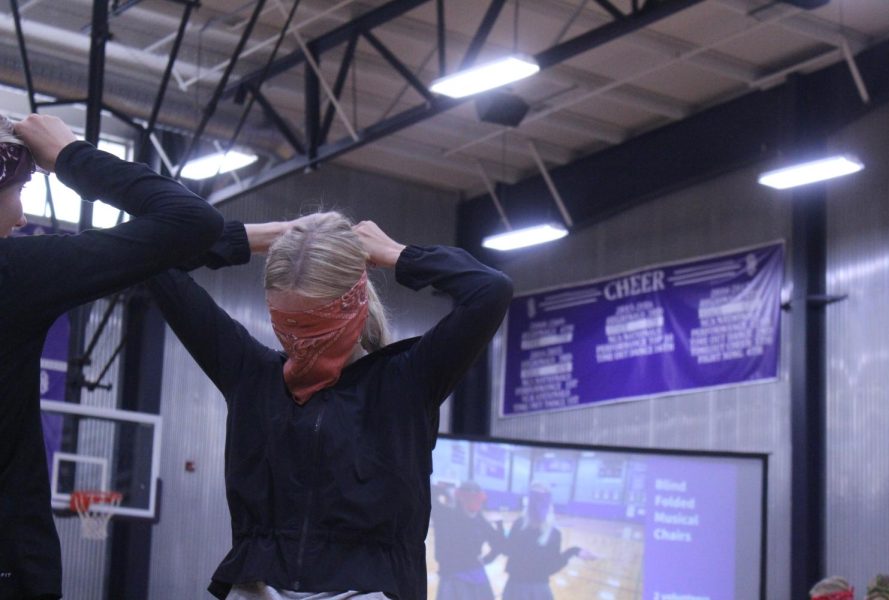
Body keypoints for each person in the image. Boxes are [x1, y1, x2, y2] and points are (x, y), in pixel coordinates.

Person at [143, 211, 513, 600]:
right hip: (257, 588)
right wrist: (254, 238)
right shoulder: (251, 375)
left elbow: (490, 290)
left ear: (351, 307)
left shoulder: (407, 382)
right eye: (287, 324)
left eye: (314, 325)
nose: (300, 342)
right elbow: (153, 258)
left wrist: (395, 253)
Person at [0, 113, 223, 599]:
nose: (21, 219)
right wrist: (70, 155)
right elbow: (192, 222)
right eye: (16, 194)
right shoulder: (14, 277)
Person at [501, 484, 596, 600]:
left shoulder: (553, 534)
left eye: (542, 499)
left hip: (538, 589)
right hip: (516, 586)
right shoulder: (519, 525)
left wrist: (574, 551)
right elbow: (508, 550)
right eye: (535, 498)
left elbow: (552, 566)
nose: (538, 504)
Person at [432, 481, 504, 600]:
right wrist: (445, 491)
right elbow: (426, 495)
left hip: (474, 576)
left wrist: (486, 559)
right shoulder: (445, 516)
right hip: (452, 578)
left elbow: (499, 545)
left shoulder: (480, 521)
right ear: (461, 499)